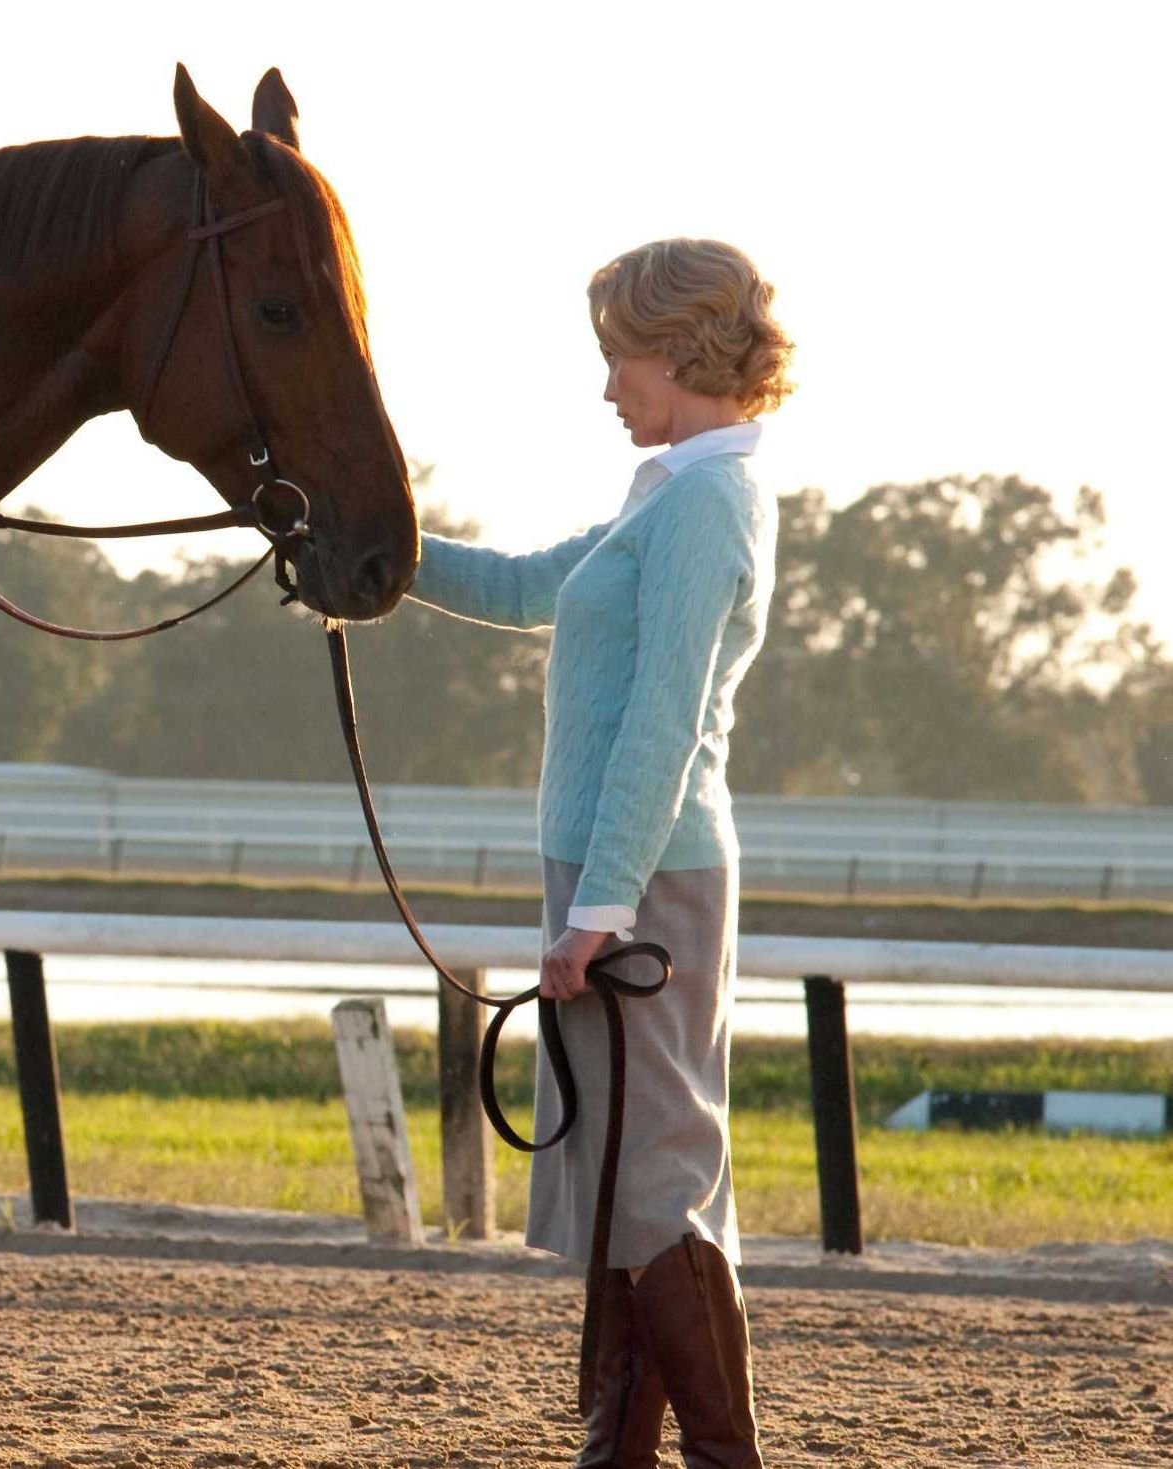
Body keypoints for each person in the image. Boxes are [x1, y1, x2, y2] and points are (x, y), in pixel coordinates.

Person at [410, 237, 791, 1468]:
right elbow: (528, 587)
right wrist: (368, 553)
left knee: (653, 1175)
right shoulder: (666, 491)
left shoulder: (705, 503)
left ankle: (720, 1457)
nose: (607, 387)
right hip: (613, 872)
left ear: (675, 351)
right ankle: (613, 1450)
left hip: (646, 877)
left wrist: (603, 909)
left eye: (615, 359)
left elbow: (664, 721)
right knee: (630, 1177)